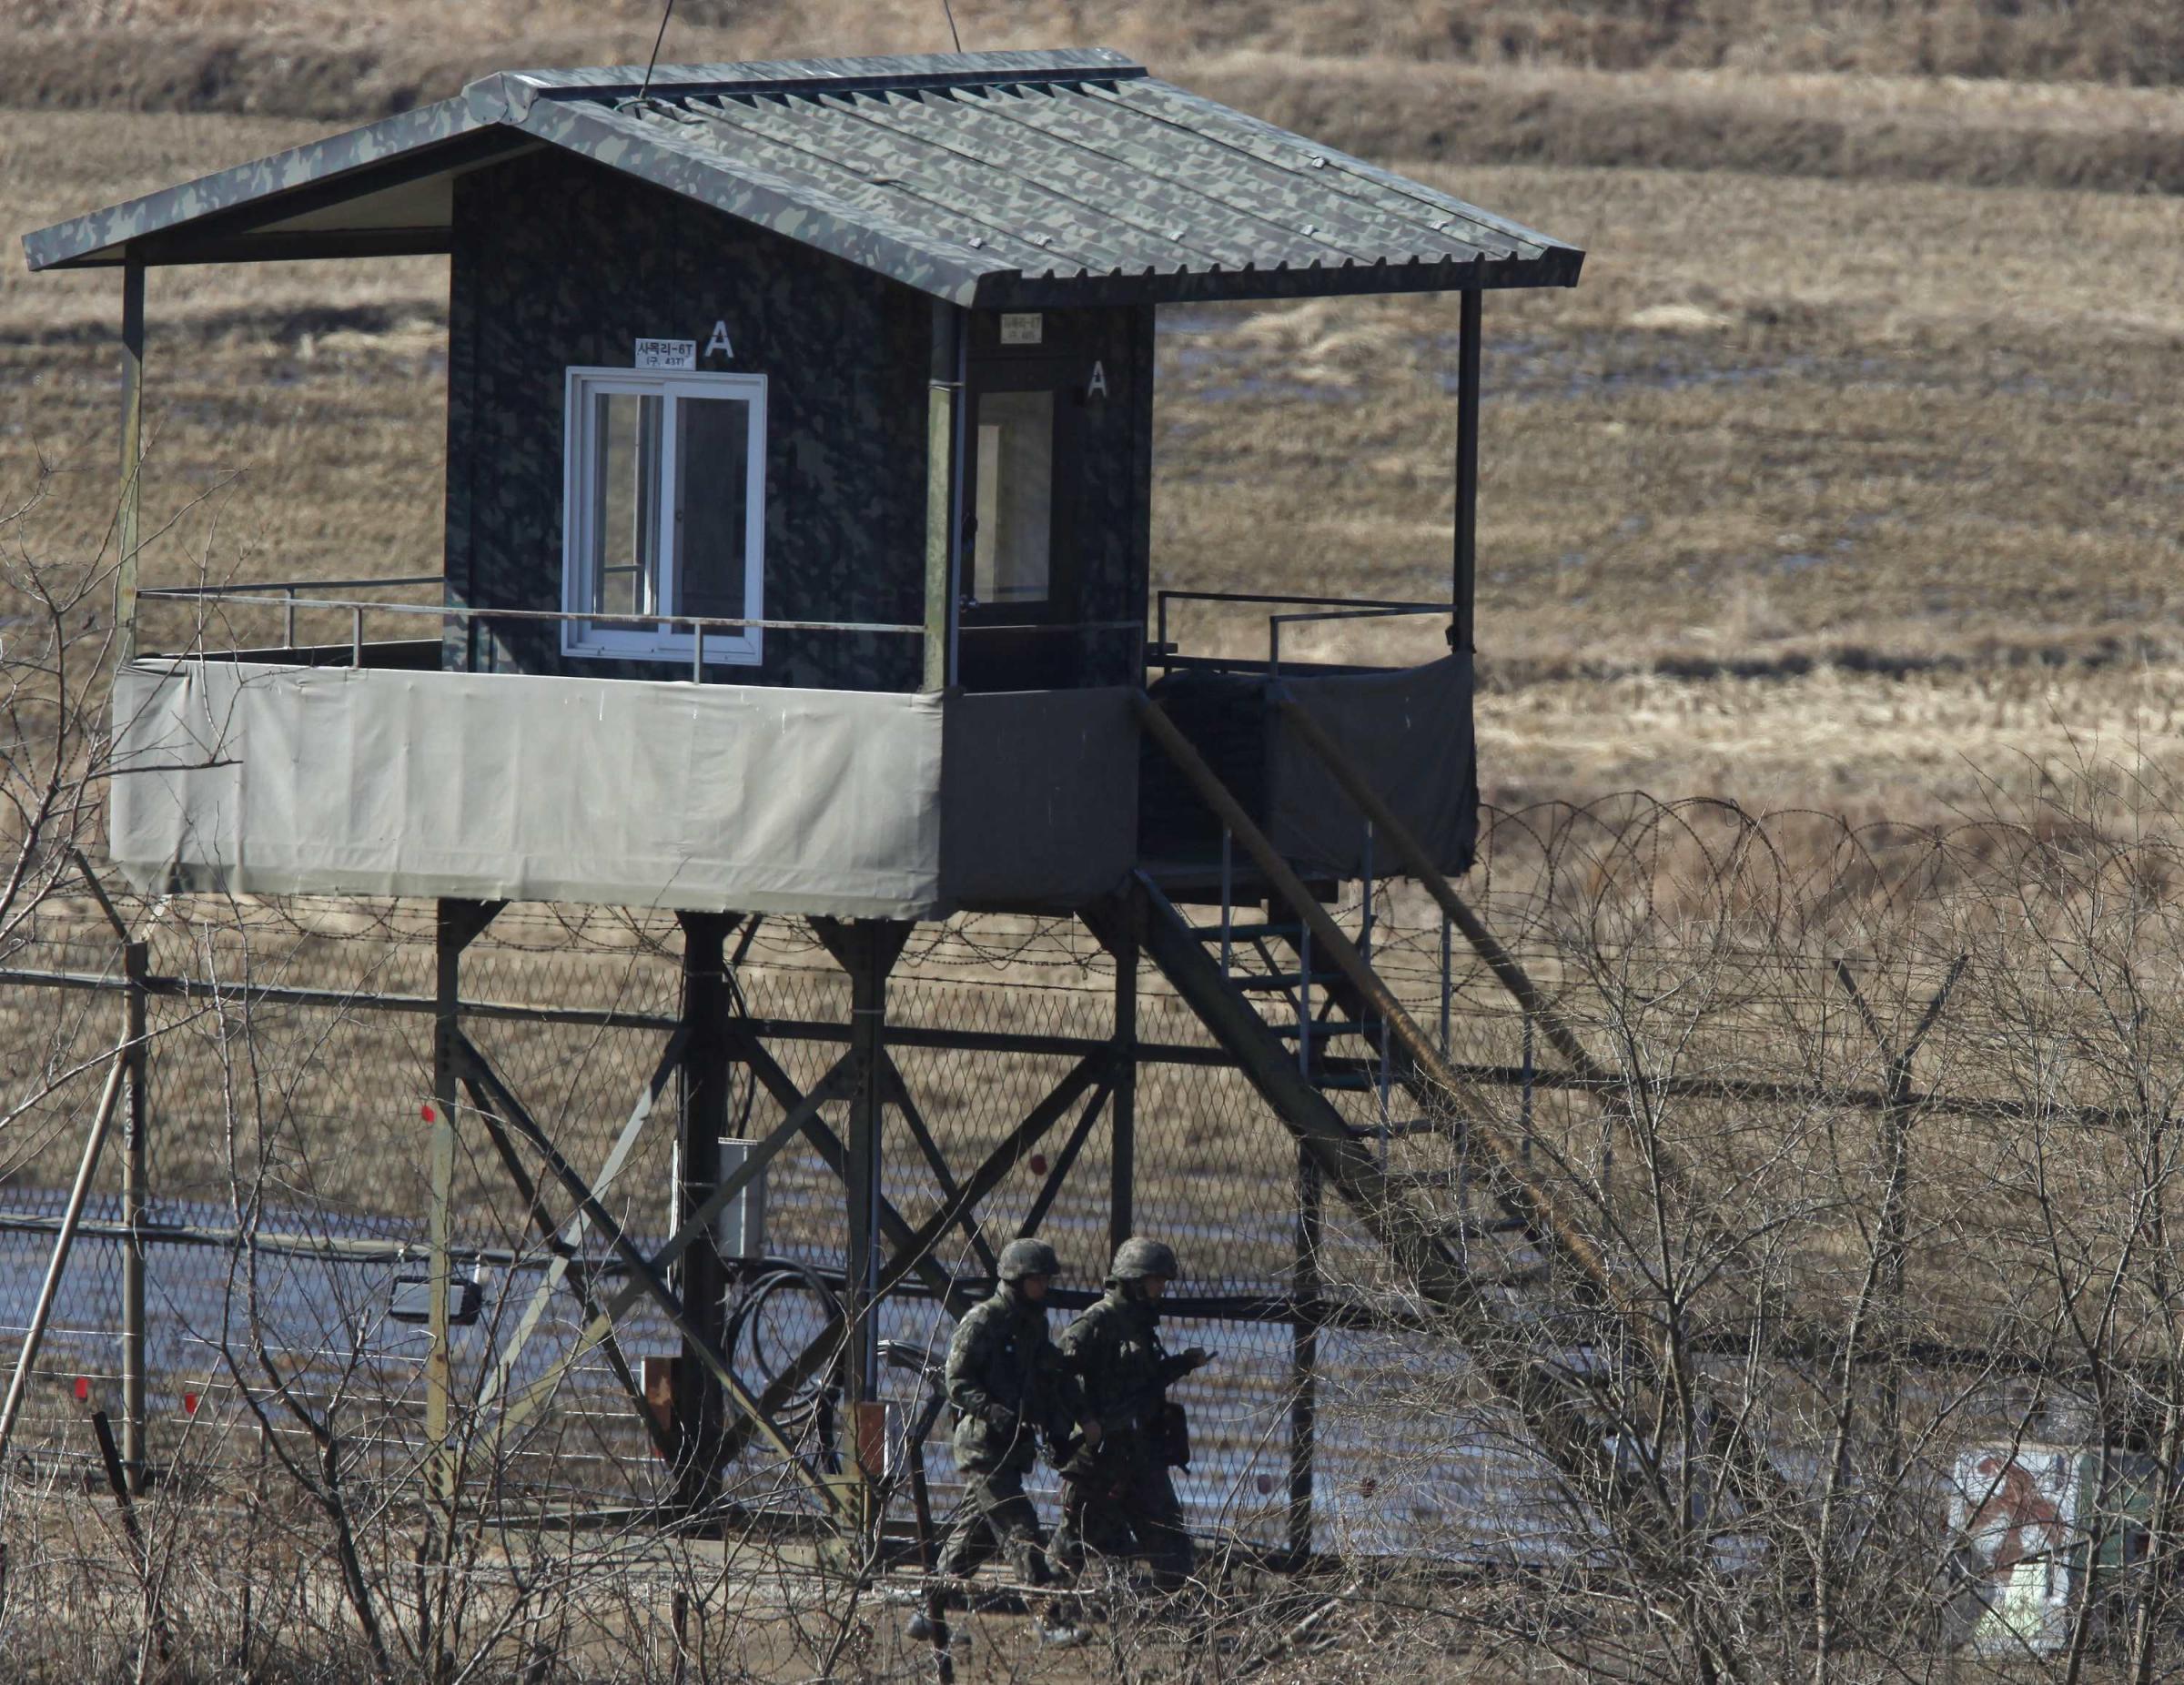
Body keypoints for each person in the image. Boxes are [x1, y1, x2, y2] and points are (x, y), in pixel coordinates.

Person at [908, 1237, 1099, 1649]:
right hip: (983, 1447)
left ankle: (927, 1613)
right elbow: (955, 1378)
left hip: (1013, 1449)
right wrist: (991, 1409)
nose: (1045, 1287)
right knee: (1020, 1529)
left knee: (974, 1537)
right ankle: (1049, 1620)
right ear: (1017, 1279)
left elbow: (1041, 1382)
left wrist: (1058, 1424)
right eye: (1038, 1279)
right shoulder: (983, 1321)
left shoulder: (1033, 1325)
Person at [1050, 1236, 1210, 1591]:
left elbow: (1145, 1382)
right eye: (1155, 1281)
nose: (1160, 1289)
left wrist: (1183, 1363)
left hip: (1140, 1449)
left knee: (1168, 1532)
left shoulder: (1139, 1324)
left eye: (1163, 1282)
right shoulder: (1097, 1322)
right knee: (1077, 1536)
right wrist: (1086, 1420)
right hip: (1102, 1453)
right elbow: (1058, 1373)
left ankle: (1178, 1612)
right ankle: (1049, 1608)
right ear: (1135, 1280)